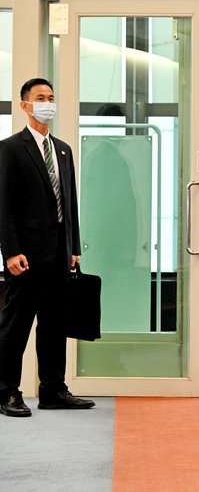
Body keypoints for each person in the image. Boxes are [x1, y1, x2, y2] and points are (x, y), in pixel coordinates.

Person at [0, 78, 95, 417]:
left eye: (51, 97)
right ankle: (6, 391)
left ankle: (54, 390)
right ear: (25, 105)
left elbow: (70, 202)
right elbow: (3, 205)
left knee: (55, 324)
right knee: (16, 325)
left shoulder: (64, 150)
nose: (47, 103)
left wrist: (74, 245)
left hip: (59, 253)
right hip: (24, 255)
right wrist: (10, 251)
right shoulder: (10, 148)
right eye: (40, 98)